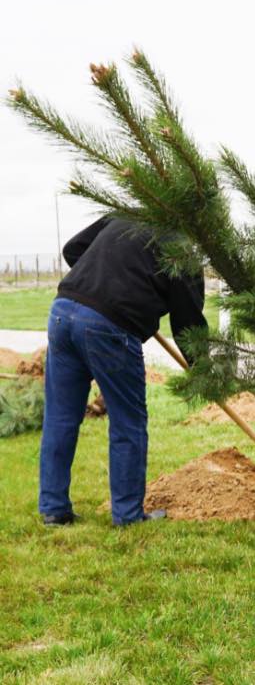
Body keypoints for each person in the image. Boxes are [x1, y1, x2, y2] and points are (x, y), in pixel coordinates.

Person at [39, 217, 206, 527]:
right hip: (109, 327)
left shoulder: (126, 215)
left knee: (60, 416)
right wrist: (202, 368)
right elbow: (188, 322)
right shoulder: (182, 250)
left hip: (63, 310)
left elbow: (73, 249)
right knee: (128, 422)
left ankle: (53, 509)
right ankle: (128, 515)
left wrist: (107, 285)